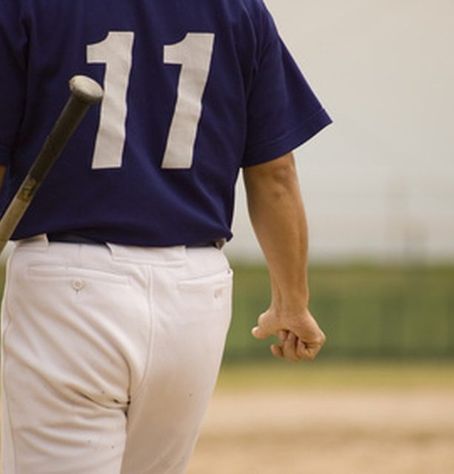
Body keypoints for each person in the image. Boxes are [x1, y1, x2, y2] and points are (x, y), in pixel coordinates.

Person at [0, 0, 331, 472]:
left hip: (67, 286)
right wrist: (291, 302)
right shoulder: (240, 9)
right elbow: (275, 172)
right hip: (197, 293)